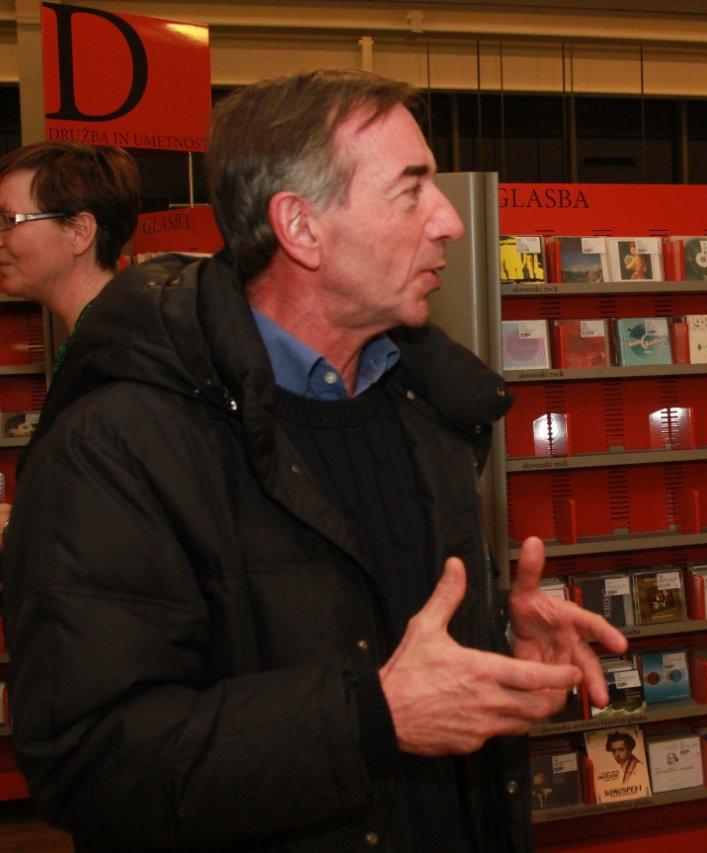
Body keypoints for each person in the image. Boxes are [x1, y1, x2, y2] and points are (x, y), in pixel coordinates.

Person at [3, 69, 627, 850]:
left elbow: (354, 627)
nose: (449, 222)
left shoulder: (426, 406)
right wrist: (370, 717)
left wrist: (497, 643)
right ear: (300, 227)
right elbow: (90, 759)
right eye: (412, 190)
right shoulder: (115, 447)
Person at [0, 141, 139, 548]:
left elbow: (116, 530)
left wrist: (17, 534)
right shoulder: (100, 338)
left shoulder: (118, 355)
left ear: (79, 232)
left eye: (9, 220)